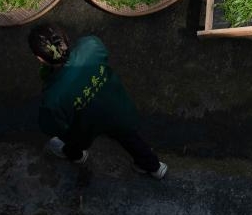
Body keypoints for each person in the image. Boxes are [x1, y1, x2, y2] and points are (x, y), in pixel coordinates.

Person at [28, 23, 167, 179]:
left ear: (40, 58)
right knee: (129, 137)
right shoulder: (91, 45)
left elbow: (50, 126)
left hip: (83, 124)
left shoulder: (53, 98)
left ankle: (77, 156)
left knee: (73, 140)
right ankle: (153, 167)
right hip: (113, 107)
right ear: (65, 39)